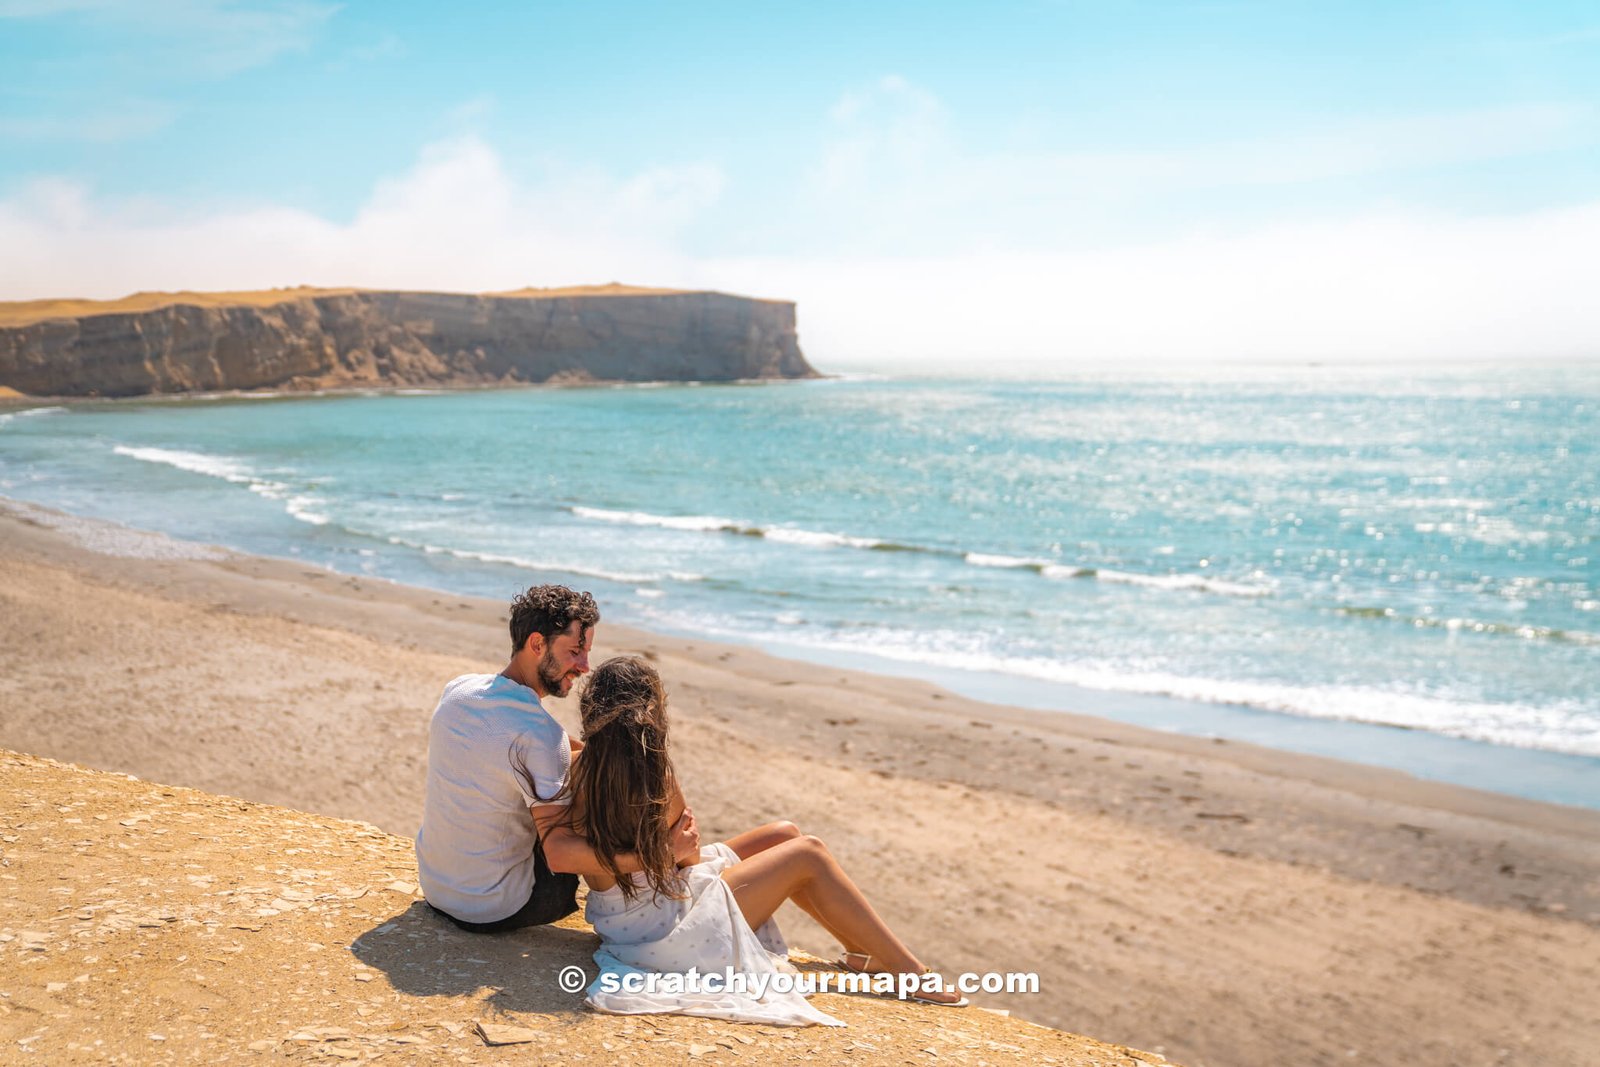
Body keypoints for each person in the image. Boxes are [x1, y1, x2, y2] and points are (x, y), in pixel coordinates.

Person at [554, 655, 966, 1022]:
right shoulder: (656, 776)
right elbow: (689, 863)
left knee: (784, 833)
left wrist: (669, 854)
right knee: (808, 853)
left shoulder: (574, 768)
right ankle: (910, 975)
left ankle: (862, 955)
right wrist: (672, 852)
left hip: (623, 922)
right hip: (666, 931)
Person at [414, 584, 701, 931]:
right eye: (575, 652)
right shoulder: (540, 736)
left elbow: (549, 744)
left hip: (437, 887)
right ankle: (652, 901)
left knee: (577, 769)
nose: (584, 667)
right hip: (494, 908)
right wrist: (659, 855)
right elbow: (560, 855)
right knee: (587, 786)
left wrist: (603, 755)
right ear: (537, 644)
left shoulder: (459, 689)